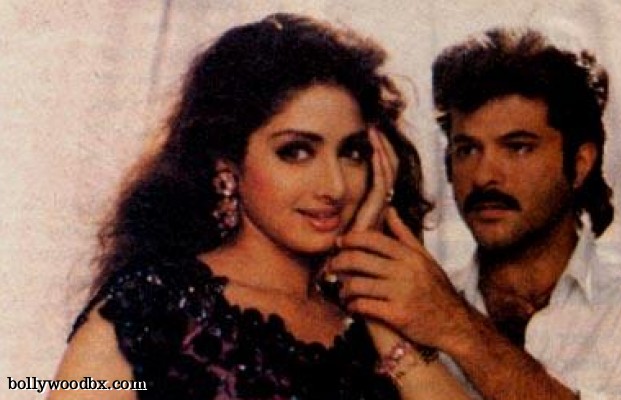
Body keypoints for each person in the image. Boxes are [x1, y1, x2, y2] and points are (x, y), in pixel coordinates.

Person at [49, 13, 469, 400]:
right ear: (228, 165)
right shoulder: (151, 308)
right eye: (296, 152)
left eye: (352, 153)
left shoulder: (372, 327)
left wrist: (372, 300)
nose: (335, 186)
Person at [328, 27, 621, 399]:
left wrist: (455, 325)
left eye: (518, 147)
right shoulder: (415, 303)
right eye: (467, 150)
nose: (483, 175)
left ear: (580, 163)